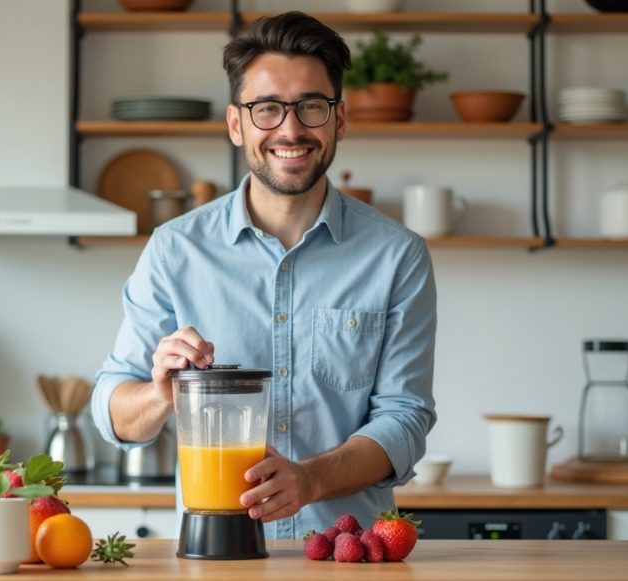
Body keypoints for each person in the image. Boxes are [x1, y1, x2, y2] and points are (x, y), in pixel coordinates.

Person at [91, 11, 437, 540]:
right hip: (215, 558)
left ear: (340, 120)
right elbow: (112, 409)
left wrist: (310, 480)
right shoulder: (174, 250)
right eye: (267, 108)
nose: (291, 130)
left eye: (311, 107)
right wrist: (159, 394)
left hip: (348, 559)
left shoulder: (397, 256)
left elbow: (405, 417)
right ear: (237, 125)